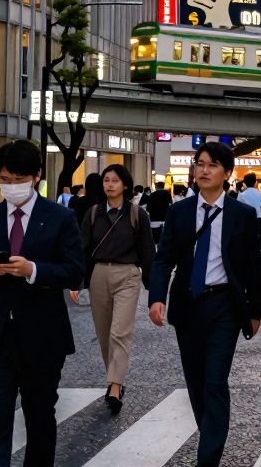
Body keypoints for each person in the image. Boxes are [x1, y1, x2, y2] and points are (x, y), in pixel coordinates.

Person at [0, 139, 83, 467]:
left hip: (43, 337)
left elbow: (74, 272)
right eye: (5, 180)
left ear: (36, 176)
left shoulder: (60, 217)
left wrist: (33, 270)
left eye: (18, 180)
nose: (11, 187)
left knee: (40, 419)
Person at [150, 141, 261, 466]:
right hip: (187, 305)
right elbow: (164, 259)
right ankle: (211, 431)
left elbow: (254, 267)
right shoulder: (179, 211)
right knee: (197, 383)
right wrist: (157, 297)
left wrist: (254, 312)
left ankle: (208, 459)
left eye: (212, 165)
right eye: (200, 163)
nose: (203, 169)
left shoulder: (241, 214)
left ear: (227, 173)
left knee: (214, 381)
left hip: (224, 305)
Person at [72, 164, 154, 414]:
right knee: (105, 333)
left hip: (127, 275)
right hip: (98, 275)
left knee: (120, 331)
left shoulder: (138, 215)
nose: (109, 184)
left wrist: (155, 292)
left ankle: (115, 386)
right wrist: (78, 281)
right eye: (106, 180)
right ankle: (115, 379)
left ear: (125, 185)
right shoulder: (94, 213)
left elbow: (148, 253)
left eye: (115, 180)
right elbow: (83, 249)